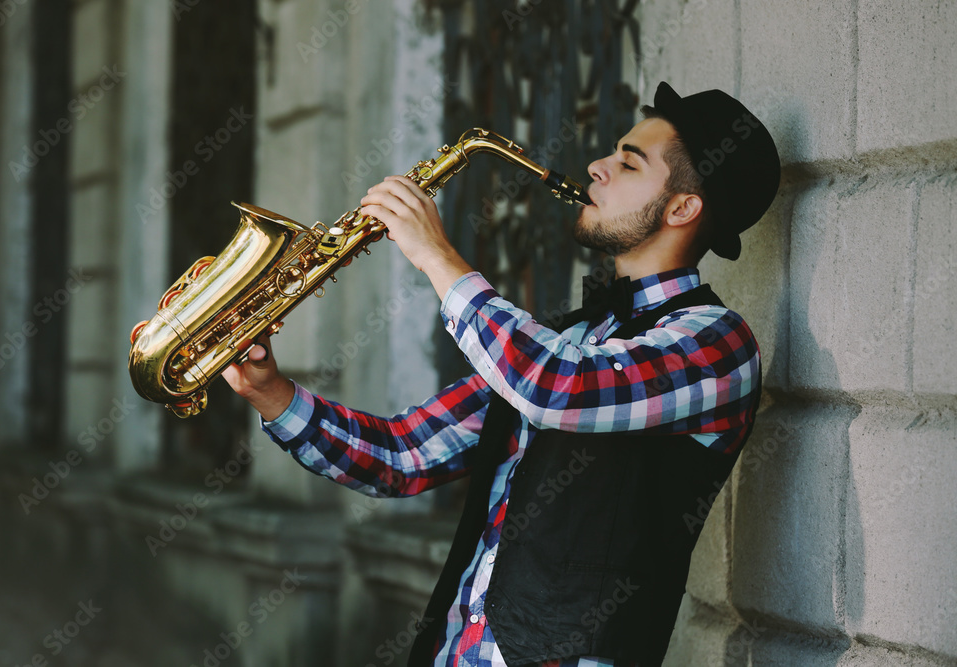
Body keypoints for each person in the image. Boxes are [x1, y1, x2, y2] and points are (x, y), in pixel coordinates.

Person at [222, 82, 781, 667]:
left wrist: (438, 256)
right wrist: (272, 394)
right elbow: (403, 456)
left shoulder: (716, 343)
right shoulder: (569, 340)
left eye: (628, 162)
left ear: (682, 208)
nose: (596, 166)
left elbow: (559, 389)